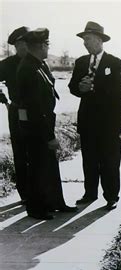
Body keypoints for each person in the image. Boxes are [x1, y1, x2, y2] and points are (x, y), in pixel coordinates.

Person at [16, 28, 77, 220]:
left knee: (49, 165)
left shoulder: (39, 65)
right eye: (47, 45)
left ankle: (55, 203)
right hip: (36, 127)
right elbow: (35, 108)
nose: (47, 49)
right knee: (36, 167)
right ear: (42, 46)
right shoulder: (28, 68)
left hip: (42, 123)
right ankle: (36, 209)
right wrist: (49, 136)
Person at [69, 21, 121, 211]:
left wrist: (93, 86)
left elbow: (119, 89)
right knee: (89, 159)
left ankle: (111, 196)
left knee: (110, 160)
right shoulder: (81, 62)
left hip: (110, 122)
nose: (85, 43)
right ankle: (89, 193)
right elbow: (72, 87)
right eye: (84, 40)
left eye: (89, 39)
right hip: (88, 120)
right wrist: (79, 88)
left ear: (100, 40)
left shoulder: (115, 63)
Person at [0, 26, 30, 203]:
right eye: (22, 43)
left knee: (37, 153)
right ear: (16, 45)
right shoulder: (7, 64)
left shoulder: (38, 62)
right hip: (17, 111)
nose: (26, 46)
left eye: (29, 42)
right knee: (20, 153)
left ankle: (39, 191)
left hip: (37, 114)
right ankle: (25, 194)